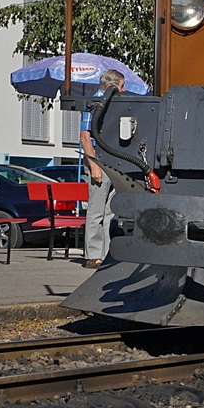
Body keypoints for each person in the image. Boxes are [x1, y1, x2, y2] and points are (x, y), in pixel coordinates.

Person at [80, 69, 123, 268]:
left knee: (110, 212)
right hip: (98, 161)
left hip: (112, 161)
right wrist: (94, 166)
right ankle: (93, 254)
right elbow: (85, 136)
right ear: (112, 85)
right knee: (97, 210)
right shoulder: (95, 103)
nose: (123, 90)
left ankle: (106, 254)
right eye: (121, 86)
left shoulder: (114, 105)